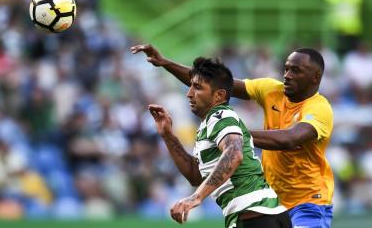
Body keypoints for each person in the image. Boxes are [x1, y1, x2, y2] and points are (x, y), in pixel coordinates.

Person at [131, 44, 334, 228]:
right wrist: (165, 63)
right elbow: (216, 85)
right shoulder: (271, 91)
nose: (287, 75)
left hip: (308, 201)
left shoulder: (319, 109)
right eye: (286, 68)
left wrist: (234, 133)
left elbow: (289, 139)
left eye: (296, 70)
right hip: (273, 201)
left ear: (316, 77)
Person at [148, 57, 291, 228]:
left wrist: (196, 197)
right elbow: (195, 175)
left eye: (198, 87)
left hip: (255, 216)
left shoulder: (220, 115)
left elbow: (234, 153)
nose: (189, 93)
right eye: (190, 86)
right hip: (260, 216)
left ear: (219, 95)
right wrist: (168, 136)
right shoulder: (208, 126)